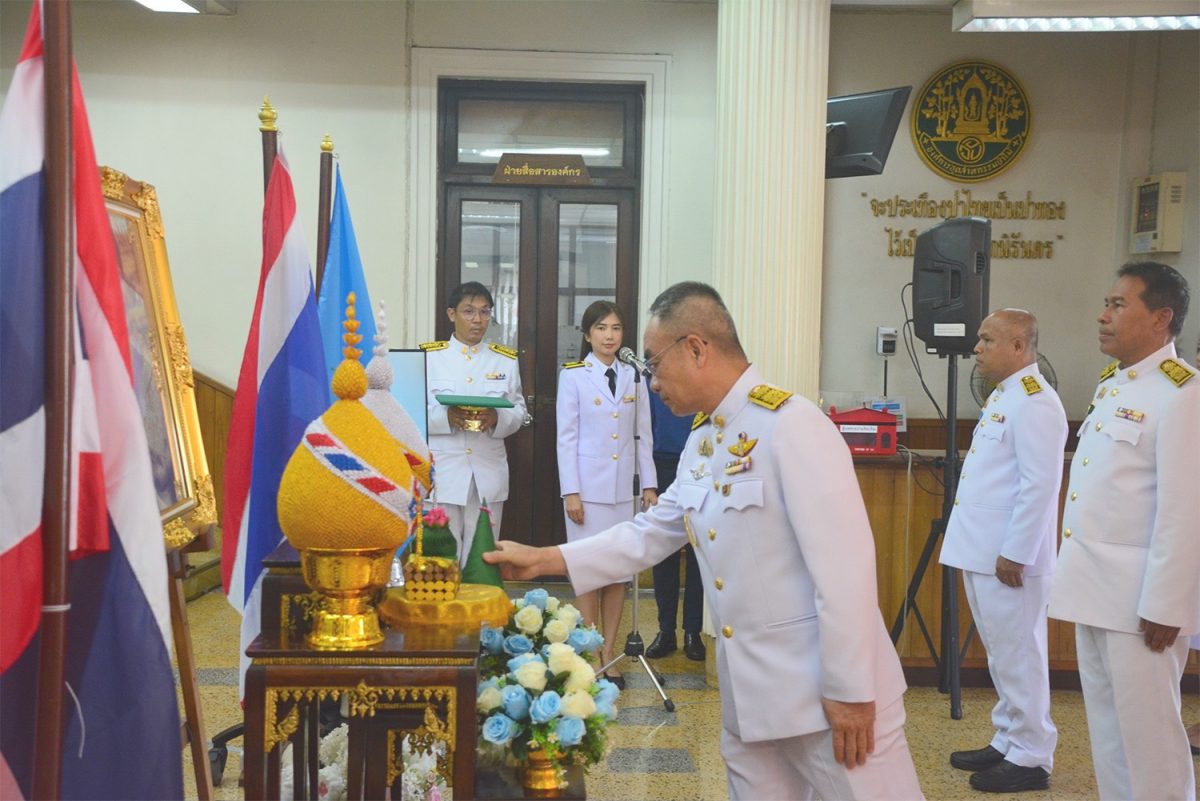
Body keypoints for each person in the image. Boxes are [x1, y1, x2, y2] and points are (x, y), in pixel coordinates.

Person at [486, 282, 924, 800]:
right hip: (751, 699)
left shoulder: (794, 426)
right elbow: (654, 531)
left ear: (696, 348)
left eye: (653, 364)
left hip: (825, 700)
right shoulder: (705, 438)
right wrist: (546, 559)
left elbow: (845, 571)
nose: (649, 382)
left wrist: (851, 691)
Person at [1048, 261, 1199, 801]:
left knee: (1150, 736)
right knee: (1110, 733)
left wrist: (1167, 603)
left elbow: (1186, 509)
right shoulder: (1117, 385)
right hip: (1095, 591)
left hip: (1142, 604)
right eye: (1106, 304)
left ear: (1161, 318)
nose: (1102, 315)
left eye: (1118, 305)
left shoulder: (1183, 394)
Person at [939, 309, 1066, 793]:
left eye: (987, 340)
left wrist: (1016, 552)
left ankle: (1033, 754)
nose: (977, 348)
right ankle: (1009, 738)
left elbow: (1040, 486)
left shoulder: (1036, 402)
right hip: (983, 550)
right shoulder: (1007, 396)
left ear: (1018, 346)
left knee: (1019, 655)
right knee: (1001, 654)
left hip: (1008, 559)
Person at [556, 300, 658, 689]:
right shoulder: (574, 377)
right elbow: (566, 439)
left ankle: (611, 653)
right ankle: (589, 652)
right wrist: (571, 492)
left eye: (616, 328)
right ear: (587, 334)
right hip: (587, 491)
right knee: (588, 574)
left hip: (624, 492)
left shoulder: (634, 375)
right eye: (601, 328)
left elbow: (643, 435)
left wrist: (648, 485)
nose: (609, 336)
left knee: (617, 575)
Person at [422, 281, 527, 566]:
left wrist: (497, 419)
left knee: (482, 558)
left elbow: (519, 411)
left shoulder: (504, 360)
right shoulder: (430, 358)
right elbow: (413, 413)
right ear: (451, 314)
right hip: (444, 472)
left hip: (487, 471)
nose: (478, 320)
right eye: (469, 311)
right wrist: (446, 418)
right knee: (441, 558)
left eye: (484, 312)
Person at [644, 387, 706, 662]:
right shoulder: (654, 381)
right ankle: (665, 630)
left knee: (699, 553)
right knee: (663, 552)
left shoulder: (704, 378)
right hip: (662, 464)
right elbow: (643, 430)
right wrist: (649, 481)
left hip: (700, 464)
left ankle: (693, 631)